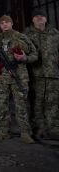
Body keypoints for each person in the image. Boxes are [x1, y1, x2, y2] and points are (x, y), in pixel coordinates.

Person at [0, 15, 37, 143]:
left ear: (12, 23)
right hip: (0, 78)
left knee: (21, 106)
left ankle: (25, 133)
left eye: (7, 22)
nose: (4, 25)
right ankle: (4, 131)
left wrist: (24, 58)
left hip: (19, 76)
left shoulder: (21, 37)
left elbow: (34, 54)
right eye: (2, 23)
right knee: (2, 105)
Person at [24, 9, 59, 140]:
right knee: (36, 103)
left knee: (53, 102)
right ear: (32, 19)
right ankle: (39, 128)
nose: (39, 18)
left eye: (42, 16)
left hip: (53, 74)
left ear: (46, 19)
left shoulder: (55, 33)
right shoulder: (26, 34)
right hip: (35, 74)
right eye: (36, 16)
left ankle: (54, 128)